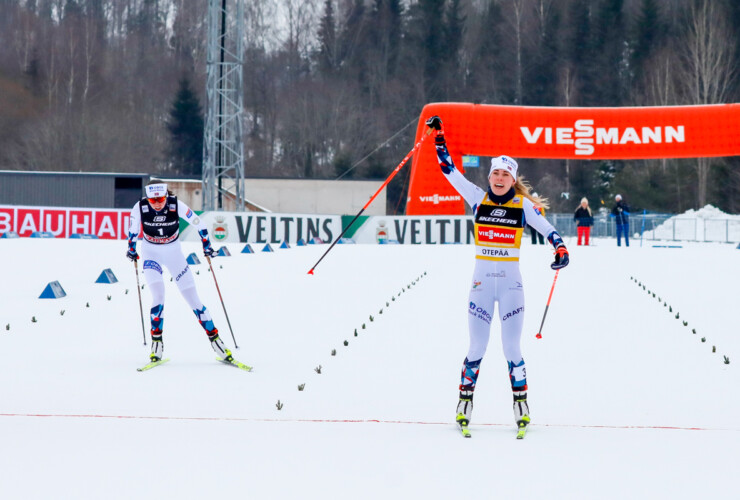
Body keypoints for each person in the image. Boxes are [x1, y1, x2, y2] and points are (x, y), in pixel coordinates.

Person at [426, 116, 569, 438]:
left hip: (511, 288)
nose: (500, 178)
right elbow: (449, 170)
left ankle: (521, 405)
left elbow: (549, 231)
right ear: (489, 178)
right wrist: (439, 136)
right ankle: (464, 403)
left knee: (511, 349)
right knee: (477, 346)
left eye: (506, 174)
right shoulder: (478, 197)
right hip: (480, 286)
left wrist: (560, 250)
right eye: (496, 173)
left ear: (513, 178)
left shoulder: (522, 205)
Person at [126, 179, 237, 365]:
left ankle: (217, 342)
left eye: (160, 199)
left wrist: (207, 247)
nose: (157, 204)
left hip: (173, 253)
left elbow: (199, 224)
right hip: (150, 253)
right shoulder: (140, 207)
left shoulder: (175, 204)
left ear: (166, 195)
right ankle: (157, 344)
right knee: (158, 296)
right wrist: (131, 249)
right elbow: (132, 231)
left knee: (193, 299)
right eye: (153, 201)